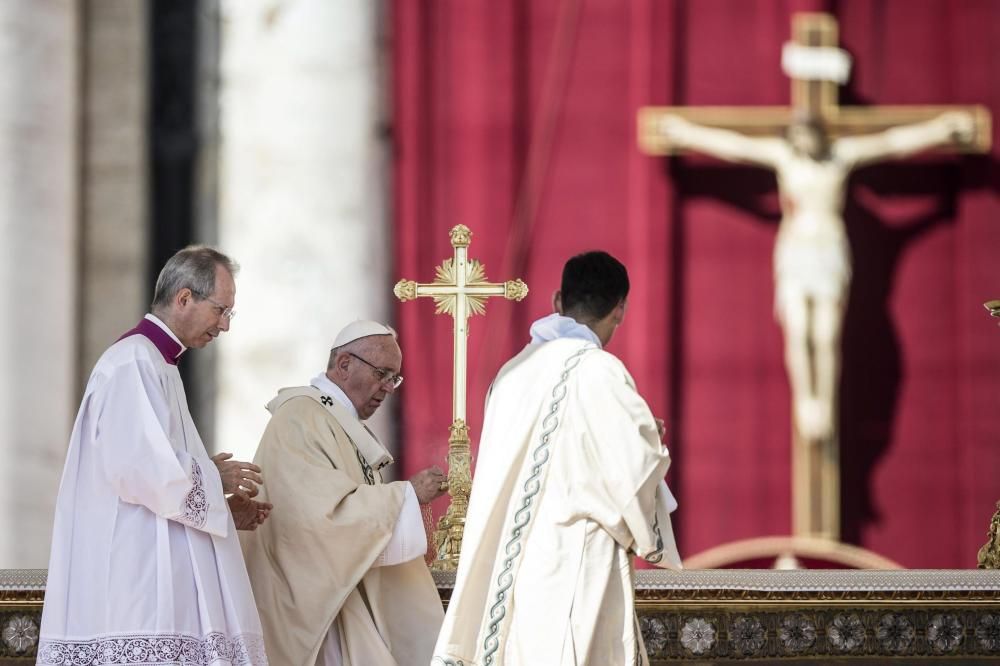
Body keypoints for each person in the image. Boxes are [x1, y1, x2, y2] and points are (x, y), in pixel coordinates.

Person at [659, 110, 975, 442]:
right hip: (795, 252)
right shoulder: (784, 157)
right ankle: (804, 400)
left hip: (829, 251)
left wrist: (939, 130)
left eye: (810, 136)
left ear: (819, 135)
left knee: (825, 333)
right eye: (799, 137)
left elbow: (892, 143)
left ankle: (823, 400)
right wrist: (688, 134)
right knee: (797, 329)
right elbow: (735, 147)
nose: (805, 143)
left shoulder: (840, 157)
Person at [432, 251, 682, 666]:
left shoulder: (512, 374)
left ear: (556, 301)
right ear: (619, 310)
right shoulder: (602, 372)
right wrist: (652, 441)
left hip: (512, 567)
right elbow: (635, 472)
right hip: (575, 560)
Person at [38, 246, 272, 665]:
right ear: (184, 298)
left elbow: (161, 475)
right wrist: (212, 481)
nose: (225, 325)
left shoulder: (158, 364)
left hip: (159, 580)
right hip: (139, 584)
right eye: (221, 311)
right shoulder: (133, 362)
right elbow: (140, 470)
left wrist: (219, 506)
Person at [240, 321, 447, 666]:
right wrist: (406, 496)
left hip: (339, 592)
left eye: (394, 378)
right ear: (344, 364)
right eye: (382, 373)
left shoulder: (336, 421)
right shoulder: (301, 417)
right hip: (313, 605)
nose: (388, 387)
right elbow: (318, 519)